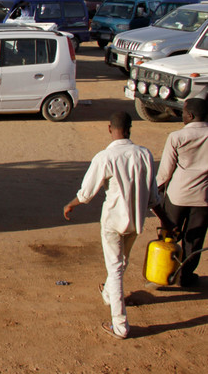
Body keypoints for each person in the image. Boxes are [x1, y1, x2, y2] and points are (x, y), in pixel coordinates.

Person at [63, 111, 171, 339]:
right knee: (121, 262)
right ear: (130, 128)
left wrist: (71, 204)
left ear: (109, 128)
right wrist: (165, 220)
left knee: (115, 267)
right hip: (136, 220)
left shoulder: (104, 157)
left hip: (113, 220)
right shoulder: (144, 154)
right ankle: (110, 295)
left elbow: (86, 193)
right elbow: (153, 197)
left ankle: (120, 325)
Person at [156, 98, 208, 287]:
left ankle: (164, 273)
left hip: (177, 196)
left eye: (184, 113)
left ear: (191, 116)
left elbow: (165, 172)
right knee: (193, 239)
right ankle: (185, 276)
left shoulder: (177, 137)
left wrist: (156, 193)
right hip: (203, 198)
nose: (182, 116)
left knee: (169, 233)